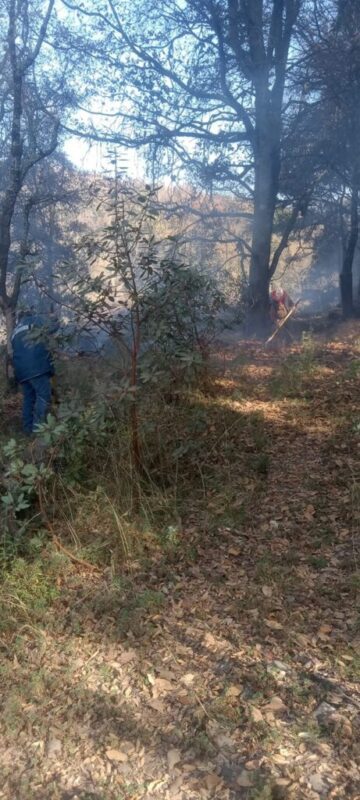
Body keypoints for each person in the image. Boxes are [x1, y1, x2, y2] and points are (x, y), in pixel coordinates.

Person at [11, 309, 58, 435]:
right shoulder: (35, 321)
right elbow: (53, 328)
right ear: (30, 314)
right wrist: (54, 317)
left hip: (22, 372)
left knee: (29, 399)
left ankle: (27, 431)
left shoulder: (14, 332)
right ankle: (37, 431)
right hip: (38, 368)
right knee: (43, 397)